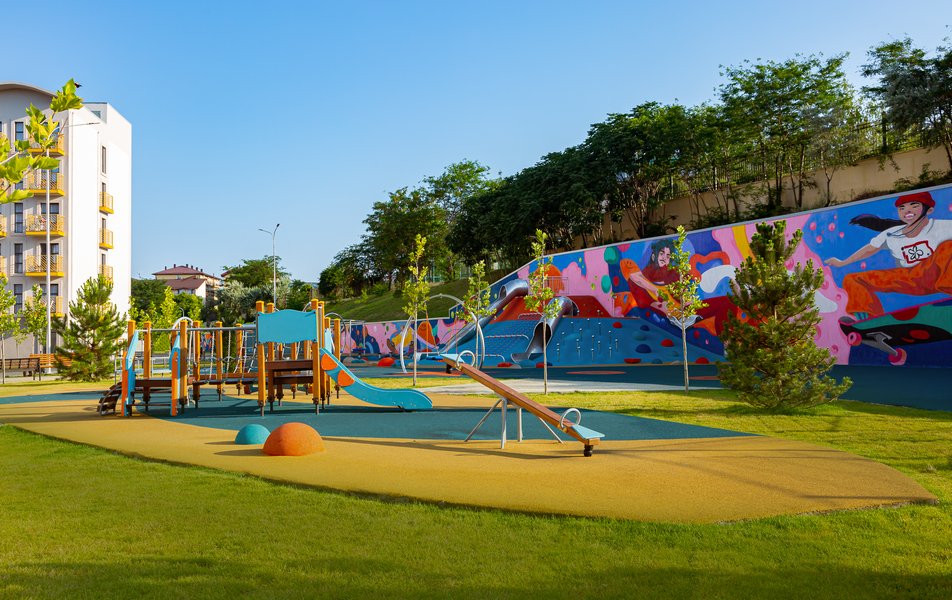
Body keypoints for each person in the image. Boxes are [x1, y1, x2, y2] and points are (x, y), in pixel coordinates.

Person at [825, 191, 952, 320]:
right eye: (902, 208)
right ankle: (867, 316)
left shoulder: (944, 226)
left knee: (948, 246)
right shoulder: (891, 233)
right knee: (852, 279)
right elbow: (869, 249)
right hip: (908, 277)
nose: (907, 210)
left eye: (914, 206)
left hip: (935, 272)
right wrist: (842, 263)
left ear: (929, 210)